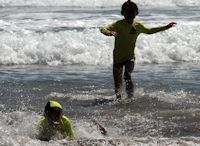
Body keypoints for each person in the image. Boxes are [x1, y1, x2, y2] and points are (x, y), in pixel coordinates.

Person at [100, 0, 176, 99]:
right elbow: (103, 29)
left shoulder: (138, 26)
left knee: (127, 75)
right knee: (118, 83)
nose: (130, 14)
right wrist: (109, 33)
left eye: (132, 11)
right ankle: (118, 100)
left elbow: (150, 31)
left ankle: (130, 98)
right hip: (117, 58)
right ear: (122, 13)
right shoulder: (118, 24)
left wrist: (166, 27)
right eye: (127, 12)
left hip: (130, 57)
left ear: (137, 13)